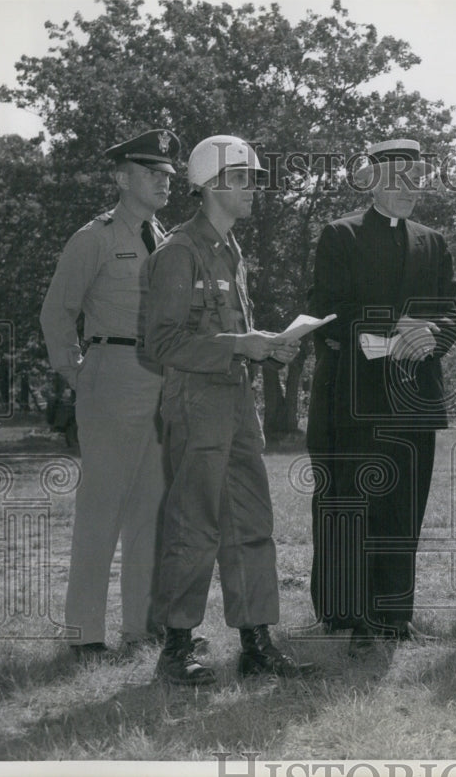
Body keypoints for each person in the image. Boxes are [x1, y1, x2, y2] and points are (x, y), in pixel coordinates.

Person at [143, 134, 306, 684]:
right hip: (194, 404)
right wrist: (239, 344)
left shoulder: (231, 249)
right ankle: (177, 646)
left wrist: (267, 347)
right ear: (210, 186)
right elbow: (160, 346)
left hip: (236, 402)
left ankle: (256, 642)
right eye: (242, 178)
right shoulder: (177, 252)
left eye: (254, 177)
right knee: (194, 525)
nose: (253, 188)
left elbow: (232, 334)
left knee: (251, 523)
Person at [307, 138, 456, 655]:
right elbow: (327, 308)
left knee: (405, 507)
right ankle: (348, 614)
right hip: (356, 395)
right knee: (352, 504)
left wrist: (432, 335)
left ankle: (395, 616)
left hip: (415, 394)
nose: (409, 189)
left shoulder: (433, 241)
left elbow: (453, 310)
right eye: (398, 179)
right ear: (372, 180)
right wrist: (392, 322)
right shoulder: (340, 234)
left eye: (417, 179)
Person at [40, 128, 180, 660]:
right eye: (153, 173)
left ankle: (142, 628)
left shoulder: (165, 239)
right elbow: (57, 311)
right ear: (123, 179)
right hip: (112, 371)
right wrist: (76, 371)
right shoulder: (94, 237)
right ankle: (85, 633)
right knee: (102, 506)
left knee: (152, 507)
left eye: (168, 174)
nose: (165, 182)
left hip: (161, 379)